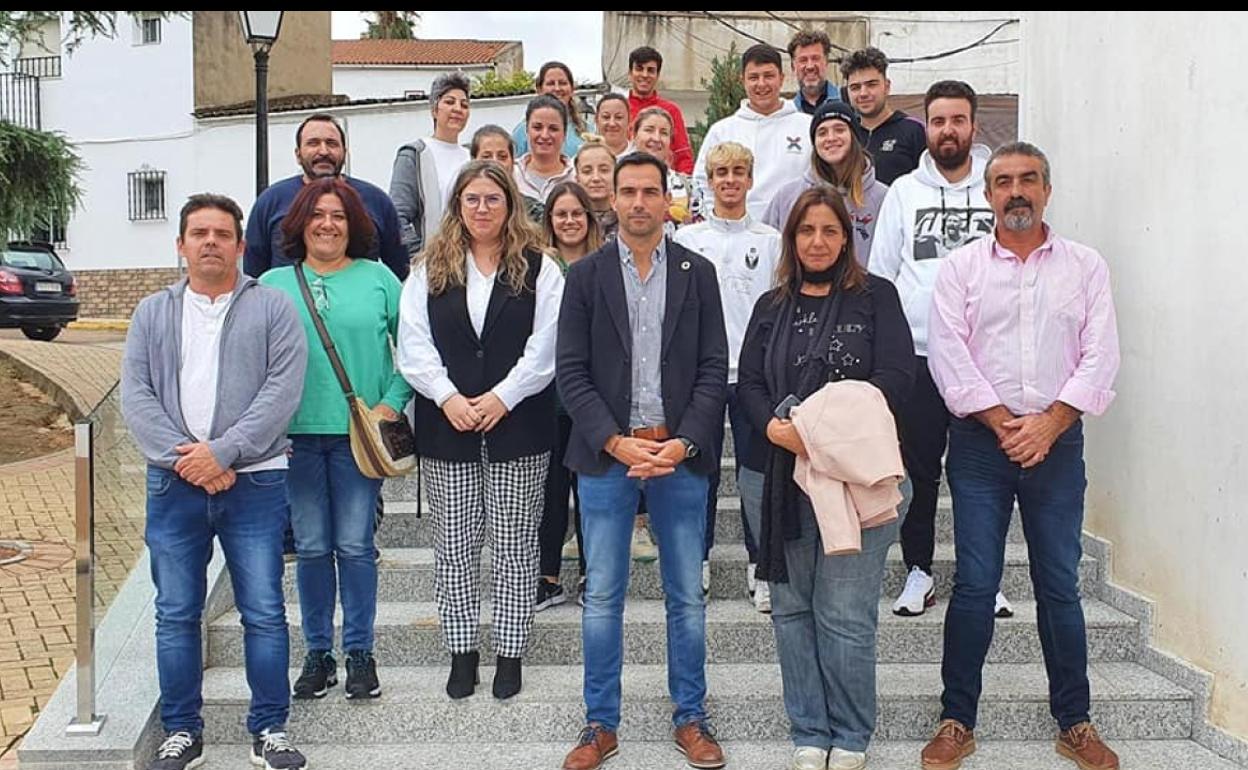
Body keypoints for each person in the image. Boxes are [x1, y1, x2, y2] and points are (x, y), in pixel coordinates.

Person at [922, 142, 1121, 770]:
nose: (1016, 191)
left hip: (1057, 446)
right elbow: (948, 353)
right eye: (1003, 181)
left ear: (1047, 190)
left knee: (1059, 583)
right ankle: (957, 719)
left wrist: (1052, 423)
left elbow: (1101, 355)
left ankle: (1075, 721)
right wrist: (1006, 423)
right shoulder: (960, 269)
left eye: (1028, 180)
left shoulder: (1086, 267)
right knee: (976, 583)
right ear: (988, 195)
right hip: (983, 446)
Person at [123, 194, 308, 770]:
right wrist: (190, 460)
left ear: (239, 245)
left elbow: (282, 391)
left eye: (221, 234)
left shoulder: (274, 308)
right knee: (176, 611)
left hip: (253, 485)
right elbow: (136, 396)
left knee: (263, 609)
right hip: (173, 486)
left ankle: (270, 729)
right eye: (198, 233)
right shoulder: (152, 313)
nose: (210, 242)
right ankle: (182, 731)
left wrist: (225, 452)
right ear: (180, 244)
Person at [557, 153, 728, 770]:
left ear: (667, 199)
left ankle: (691, 717)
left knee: (686, 594)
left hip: (679, 456)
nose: (636, 202)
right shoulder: (585, 277)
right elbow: (571, 374)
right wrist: (615, 441)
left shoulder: (697, 273)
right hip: (608, 458)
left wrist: (682, 443)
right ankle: (601, 723)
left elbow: (714, 368)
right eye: (626, 192)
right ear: (615, 201)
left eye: (649, 191)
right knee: (603, 596)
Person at [737, 186, 914, 770]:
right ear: (791, 239)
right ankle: (809, 729)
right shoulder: (771, 305)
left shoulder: (875, 298)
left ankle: (852, 733)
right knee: (790, 608)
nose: (818, 242)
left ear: (847, 237)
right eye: (806, 231)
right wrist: (776, 430)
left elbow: (893, 378)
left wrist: (815, 430)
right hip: (779, 476)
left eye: (829, 231)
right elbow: (751, 386)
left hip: (852, 480)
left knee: (844, 611)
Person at [397, 160, 564, 701]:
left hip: (520, 426)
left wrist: (502, 397)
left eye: (493, 199)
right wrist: (446, 396)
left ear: (510, 205)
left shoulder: (541, 268)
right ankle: (462, 650)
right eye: (472, 200)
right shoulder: (429, 268)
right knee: (454, 545)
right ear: (457, 207)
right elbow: (413, 344)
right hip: (449, 428)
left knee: (516, 545)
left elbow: (547, 346)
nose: (483, 209)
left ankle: (510, 652)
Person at [258, 178, 412, 704]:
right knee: (312, 548)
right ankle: (318, 654)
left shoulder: (379, 279)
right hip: (294, 441)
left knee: (354, 546)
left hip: (357, 441)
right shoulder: (273, 284)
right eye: (318, 215)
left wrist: (391, 402)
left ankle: (360, 654)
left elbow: (413, 350)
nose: (328, 224)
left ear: (354, 225)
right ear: (300, 223)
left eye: (339, 216)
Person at [868, 81, 1011, 619]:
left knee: (981, 473)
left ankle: (984, 577)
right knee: (920, 472)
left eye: (957, 120)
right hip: (921, 357)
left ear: (974, 126)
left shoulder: (996, 185)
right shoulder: (904, 191)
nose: (947, 130)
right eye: (937, 121)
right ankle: (919, 571)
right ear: (925, 127)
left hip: (985, 359)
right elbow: (881, 276)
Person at [674, 141, 781, 614]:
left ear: (750, 178)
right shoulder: (687, 240)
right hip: (702, 374)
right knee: (702, 472)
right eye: (721, 172)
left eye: (739, 171)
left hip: (754, 376)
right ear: (709, 180)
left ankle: (762, 568)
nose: (730, 180)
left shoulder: (772, 239)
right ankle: (697, 560)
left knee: (757, 476)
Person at [535, 181, 605, 610]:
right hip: (547, 397)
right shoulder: (537, 267)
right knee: (551, 491)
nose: (569, 221)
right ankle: (547, 575)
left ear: (589, 218)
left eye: (577, 213)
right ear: (550, 221)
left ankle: (591, 573)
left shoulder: (605, 264)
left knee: (592, 491)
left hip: (595, 396)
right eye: (560, 214)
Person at [243, 113, 408, 280]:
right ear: (298, 154)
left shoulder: (377, 201)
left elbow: (399, 271)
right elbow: (253, 274)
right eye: (313, 143)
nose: (323, 151)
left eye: (331, 143)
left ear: (345, 152)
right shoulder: (271, 201)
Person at [764, 100, 889, 268]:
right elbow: (768, 253)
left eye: (839, 130)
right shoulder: (788, 196)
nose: (831, 138)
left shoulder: (884, 197)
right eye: (822, 132)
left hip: (863, 291)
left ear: (854, 136)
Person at [693, 44, 811, 221]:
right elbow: (701, 183)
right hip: (735, 232)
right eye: (754, 77)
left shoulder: (808, 127)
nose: (761, 84)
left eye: (768, 76)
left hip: (795, 233)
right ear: (743, 81)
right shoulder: (722, 131)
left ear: (782, 78)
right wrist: (718, 222)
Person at [389, 71, 472, 257]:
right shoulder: (414, 154)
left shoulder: (473, 157)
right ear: (434, 109)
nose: (458, 109)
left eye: (464, 104)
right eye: (449, 102)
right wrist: (418, 257)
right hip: (431, 263)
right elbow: (397, 215)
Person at [839, 47, 927, 186]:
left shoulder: (914, 131)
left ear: (887, 86)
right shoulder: (845, 134)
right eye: (855, 87)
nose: (863, 93)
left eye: (871, 85)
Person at [625, 46, 694, 174]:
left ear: (657, 75)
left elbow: (683, 156)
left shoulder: (671, 111)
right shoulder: (620, 109)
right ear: (630, 73)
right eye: (639, 69)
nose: (645, 75)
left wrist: (683, 187)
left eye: (650, 70)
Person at [632, 106, 698, 229]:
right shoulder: (616, 180)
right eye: (649, 130)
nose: (656, 138)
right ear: (635, 135)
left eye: (663, 133)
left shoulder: (687, 186)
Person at [513, 61, 593, 157]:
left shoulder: (588, 131)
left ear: (572, 89)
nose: (557, 88)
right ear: (539, 90)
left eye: (562, 83)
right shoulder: (522, 132)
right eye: (550, 83)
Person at [513, 95, 578, 209]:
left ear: (564, 133)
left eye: (553, 129)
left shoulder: (577, 176)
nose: (544, 135)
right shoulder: (511, 174)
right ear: (527, 130)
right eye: (537, 127)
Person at [471, 123, 544, 220]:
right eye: (486, 156)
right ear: (473, 161)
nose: (495, 162)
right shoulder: (463, 210)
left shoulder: (533, 211)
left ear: (513, 161)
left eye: (502, 157)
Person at [788, 29, 841, 115]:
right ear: (793, 66)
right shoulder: (789, 113)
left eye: (815, 58)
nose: (810, 66)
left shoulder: (849, 102)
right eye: (803, 60)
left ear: (826, 62)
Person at [574, 141, 619, 239]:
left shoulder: (627, 218)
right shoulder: (570, 220)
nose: (596, 178)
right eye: (587, 171)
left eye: (604, 170)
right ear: (577, 178)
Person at [594, 93, 632, 158]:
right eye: (606, 117)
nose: (612, 124)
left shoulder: (641, 158)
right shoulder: (583, 157)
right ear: (596, 120)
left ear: (629, 120)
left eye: (618, 117)